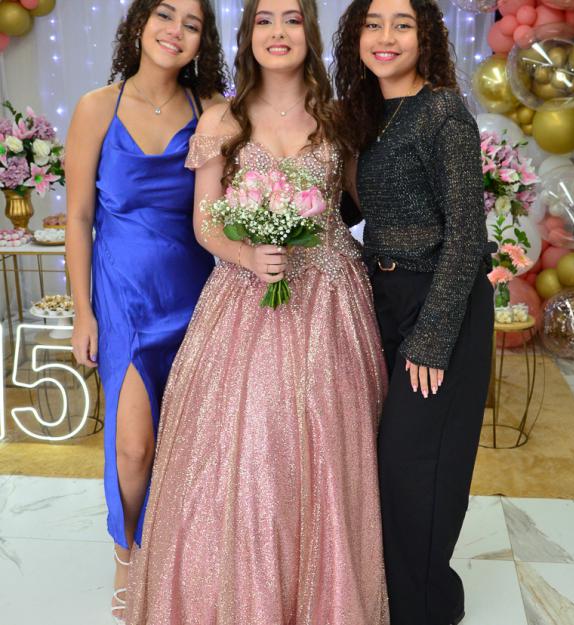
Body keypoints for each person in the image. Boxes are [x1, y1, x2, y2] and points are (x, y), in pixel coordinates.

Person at [125, 0, 389, 623]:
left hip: (331, 300)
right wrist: (249, 254)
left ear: (309, 32)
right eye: (265, 20)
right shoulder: (224, 117)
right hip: (245, 299)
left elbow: (365, 200)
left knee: (328, 453)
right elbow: (206, 224)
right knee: (250, 452)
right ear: (248, 35)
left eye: (291, 19)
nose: (278, 32)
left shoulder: (338, 117)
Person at [64, 0, 226, 620]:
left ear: (202, 41)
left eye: (192, 24)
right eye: (164, 15)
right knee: (133, 447)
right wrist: (84, 312)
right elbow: (79, 217)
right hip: (123, 297)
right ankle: (127, 552)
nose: (175, 31)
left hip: (197, 296)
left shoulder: (211, 109)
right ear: (139, 24)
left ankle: (176, 553)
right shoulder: (96, 107)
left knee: (188, 444)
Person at [334, 1, 494, 624]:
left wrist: (432, 337)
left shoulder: (442, 111)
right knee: (381, 462)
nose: (386, 36)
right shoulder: (365, 113)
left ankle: (428, 610)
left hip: (441, 300)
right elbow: (354, 210)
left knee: (414, 466)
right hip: (382, 299)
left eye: (402, 24)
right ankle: (391, 601)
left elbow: (467, 234)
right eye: (373, 24)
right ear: (356, 37)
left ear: (424, 37)